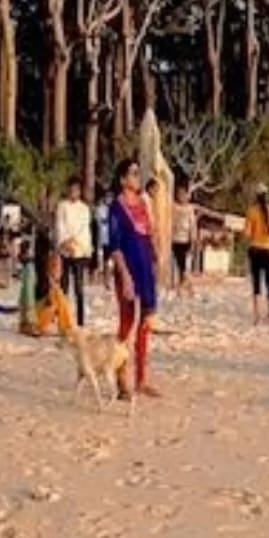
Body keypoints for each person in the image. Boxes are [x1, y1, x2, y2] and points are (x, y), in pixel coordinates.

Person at [109, 158, 159, 397]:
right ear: (122, 179)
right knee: (127, 322)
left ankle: (141, 379)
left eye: (139, 173)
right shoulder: (116, 208)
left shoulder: (143, 203)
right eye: (133, 173)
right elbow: (115, 246)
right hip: (127, 269)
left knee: (145, 323)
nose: (138, 177)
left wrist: (155, 261)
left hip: (145, 267)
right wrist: (125, 275)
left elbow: (149, 235)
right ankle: (121, 377)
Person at [55, 176, 93, 326]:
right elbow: (60, 225)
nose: (73, 192)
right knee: (64, 286)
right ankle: (63, 319)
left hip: (79, 250)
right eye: (71, 189)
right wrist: (65, 241)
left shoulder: (84, 209)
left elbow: (84, 228)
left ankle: (80, 320)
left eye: (76, 190)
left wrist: (77, 243)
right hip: (65, 250)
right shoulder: (62, 206)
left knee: (79, 287)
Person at [244, 184, 269, 325]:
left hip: (255, 249)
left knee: (256, 282)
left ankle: (257, 315)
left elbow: (247, 233)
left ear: (256, 196)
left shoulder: (251, 211)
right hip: (268, 249)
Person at [171, 182, 197, 294]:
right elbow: (171, 222)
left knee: (185, 265)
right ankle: (182, 287)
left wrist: (193, 238)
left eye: (183, 194)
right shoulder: (173, 207)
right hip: (175, 239)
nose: (181, 196)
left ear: (187, 195)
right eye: (179, 194)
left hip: (186, 239)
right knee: (179, 264)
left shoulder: (190, 208)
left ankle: (187, 287)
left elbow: (193, 224)